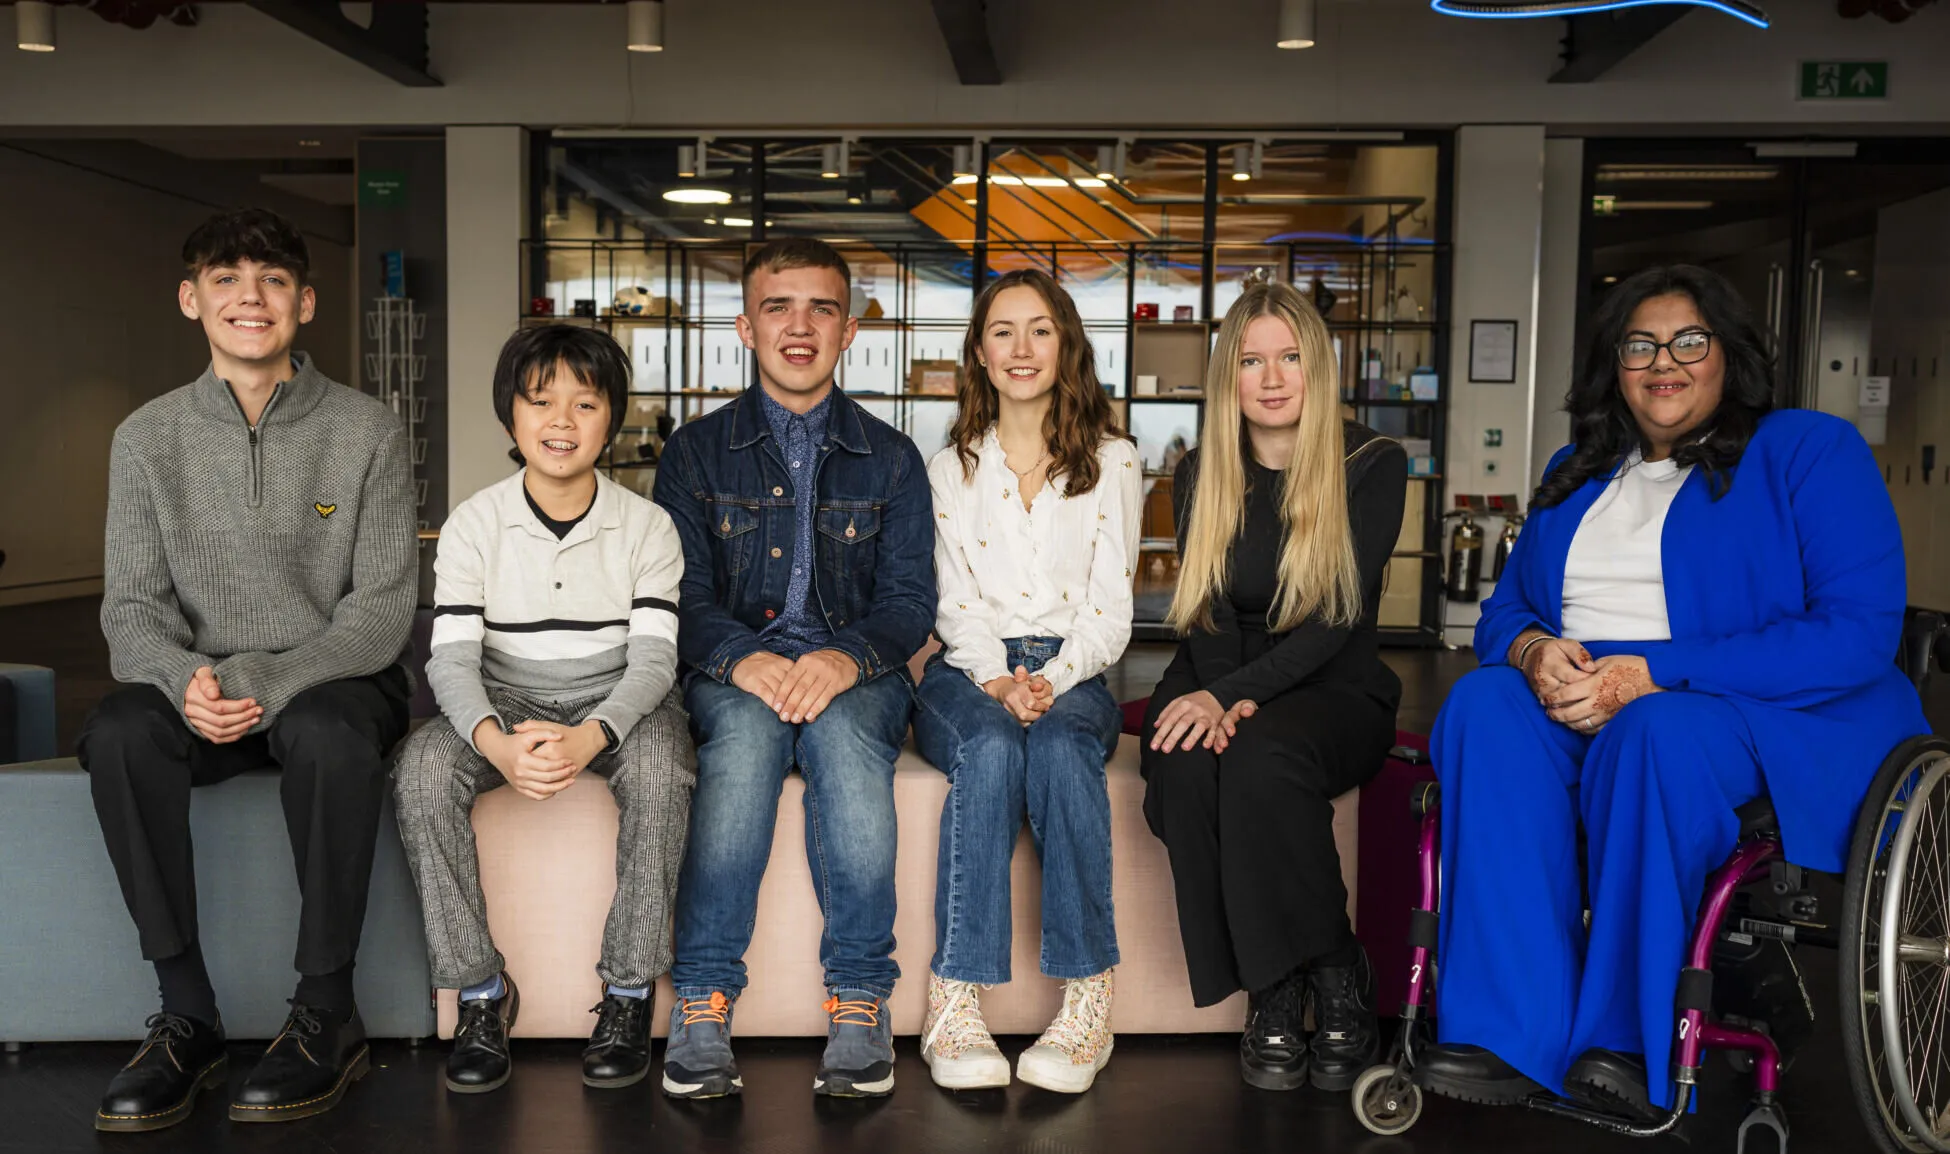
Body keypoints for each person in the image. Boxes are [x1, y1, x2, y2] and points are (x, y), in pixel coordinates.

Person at [1417, 264, 1929, 1121]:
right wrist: (1536, 650)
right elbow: (1507, 608)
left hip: (1745, 706)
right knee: (1481, 709)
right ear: (1613, 365)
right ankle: (1509, 1029)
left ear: (1728, 355)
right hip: (1583, 695)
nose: (1666, 362)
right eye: (1641, 345)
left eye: (1690, 341)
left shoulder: (1805, 450)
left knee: (1652, 735)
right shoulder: (1575, 468)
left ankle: (1625, 1036)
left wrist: (1653, 674)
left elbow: (1856, 632)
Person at [78, 207, 416, 1130]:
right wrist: (184, 676)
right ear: (191, 300)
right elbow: (131, 609)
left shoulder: (368, 430)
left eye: (270, 280)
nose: (249, 298)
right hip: (199, 686)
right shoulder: (146, 438)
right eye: (225, 279)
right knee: (115, 732)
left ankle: (324, 1013)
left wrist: (265, 680)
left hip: (332, 677)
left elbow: (381, 610)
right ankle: (185, 1012)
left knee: (328, 731)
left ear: (304, 302)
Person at [652, 238, 936, 1100]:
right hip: (734, 675)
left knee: (849, 752)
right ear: (746, 325)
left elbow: (910, 602)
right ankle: (701, 1000)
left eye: (821, 308)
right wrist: (741, 662)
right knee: (738, 750)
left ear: (850, 330)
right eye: (779, 306)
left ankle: (859, 1001)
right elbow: (680, 597)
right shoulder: (695, 453)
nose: (799, 325)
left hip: (860, 676)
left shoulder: (893, 457)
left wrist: (845, 660)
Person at [391, 325, 693, 1096]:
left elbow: (655, 661)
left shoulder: (649, 526)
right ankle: (481, 993)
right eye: (541, 402)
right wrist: (494, 742)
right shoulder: (472, 523)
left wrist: (593, 735)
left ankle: (626, 996)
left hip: (618, 693)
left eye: (585, 403)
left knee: (662, 764)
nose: (562, 421)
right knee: (422, 769)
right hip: (505, 694)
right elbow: (451, 659)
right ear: (510, 421)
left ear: (612, 418)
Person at [1140, 281, 1406, 1094]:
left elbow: (1332, 621)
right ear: (1230, 376)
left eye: (1289, 357)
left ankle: (1332, 967)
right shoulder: (1200, 471)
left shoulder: (1371, 462)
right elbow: (1209, 613)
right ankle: (1277, 989)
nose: (1273, 377)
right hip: (1218, 666)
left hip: (1334, 679)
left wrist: (1236, 702)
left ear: (1317, 365)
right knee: (1181, 770)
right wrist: (1218, 696)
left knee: (1260, 760)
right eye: (1251, 361)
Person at [912, 269, 1141, 1093]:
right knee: (991, 747)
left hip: (1075, 666)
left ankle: (1087, 1004)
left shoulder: (1114, 461)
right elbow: (951, 603)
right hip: (968, 668)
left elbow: (1113, 608)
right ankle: (955, 1000)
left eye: (1039, 329)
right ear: (979, 351)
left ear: (1066, 343)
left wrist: (1054, 676)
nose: (1021, 348)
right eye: (1002, 331)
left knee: (1060, 754)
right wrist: (1003, 681)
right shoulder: (950, 468)